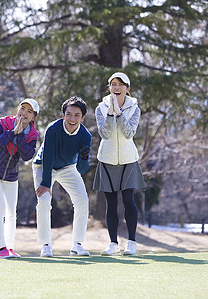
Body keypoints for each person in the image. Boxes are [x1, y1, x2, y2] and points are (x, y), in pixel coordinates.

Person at [93, 72, 146, 256]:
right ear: (109, 87)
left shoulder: (135, 108)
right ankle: (113, 244)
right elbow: (105, 134)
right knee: (111, 202)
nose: (116, 88)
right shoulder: (101, 108)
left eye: (120, 85)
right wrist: (110, 113)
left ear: (127, 88)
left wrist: (120, 113)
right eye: (113, 84)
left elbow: (129, 132)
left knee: (129, 200)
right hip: (107, 159)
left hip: (128, 159)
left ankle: (131, 243)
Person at [0, 99, 40, 258]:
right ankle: (1, 249)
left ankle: (10, 248)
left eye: (29, 111)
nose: (24, 113)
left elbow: (27, 155)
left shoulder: (33, 134)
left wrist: (20, 136)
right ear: (18, 109)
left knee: (11, 213)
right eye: (23, 108)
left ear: (34, 117)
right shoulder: (3, 123)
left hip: (10, 175)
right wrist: (13, 132)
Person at [33, 96, 92, 257]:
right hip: (44, 166)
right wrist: (46, 183)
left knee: (82, 200)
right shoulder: (53, 129)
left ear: (82, 117)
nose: (72, 118)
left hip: (68, 167)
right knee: (44, 201)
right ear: (63, 115)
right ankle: (45, 245)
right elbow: (48, 157)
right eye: (69, 114)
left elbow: (81, 168)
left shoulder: (85, 136)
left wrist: (84, 157)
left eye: (77, 115)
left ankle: (77, 245)